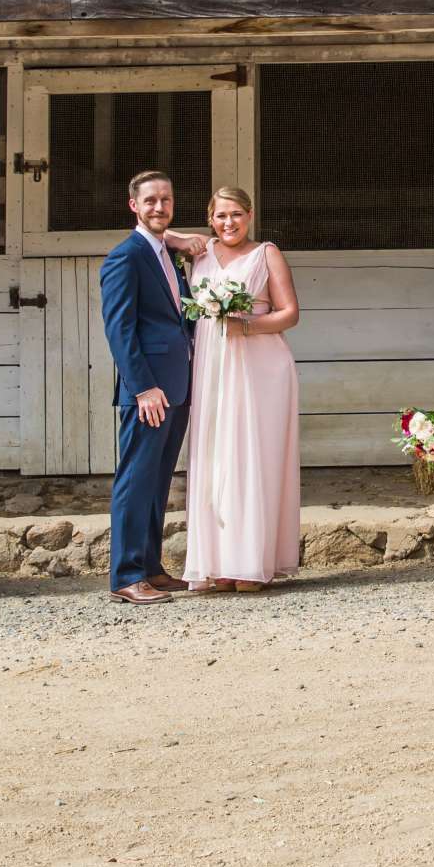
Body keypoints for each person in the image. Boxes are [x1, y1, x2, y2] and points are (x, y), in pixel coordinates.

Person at [168, 187, 302, 594]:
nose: (230, 223)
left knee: (252, 456)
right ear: (210, 218)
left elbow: (290, 313)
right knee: (216, 458)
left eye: (237, 215)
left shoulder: (267, 253)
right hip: (212, 364)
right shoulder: (201, 252)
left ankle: (251, 562)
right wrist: (185, 238)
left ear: (250, 215)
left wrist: (244, 324)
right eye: (221, 215)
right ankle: (218, 563)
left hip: (260, 365)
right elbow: (154, 232)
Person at [99, 170, 196, 605]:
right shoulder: (126, 256)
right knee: (135, 479)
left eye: (166, 200)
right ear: (133, 205)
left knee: (158, 480)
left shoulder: (164, 252)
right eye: (151, 201)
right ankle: (127, 574)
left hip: (177, 383)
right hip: (149, 390)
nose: (159, 207)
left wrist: (174, 239)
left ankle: (151, 568)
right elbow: (119, 329)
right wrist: (142, 388)